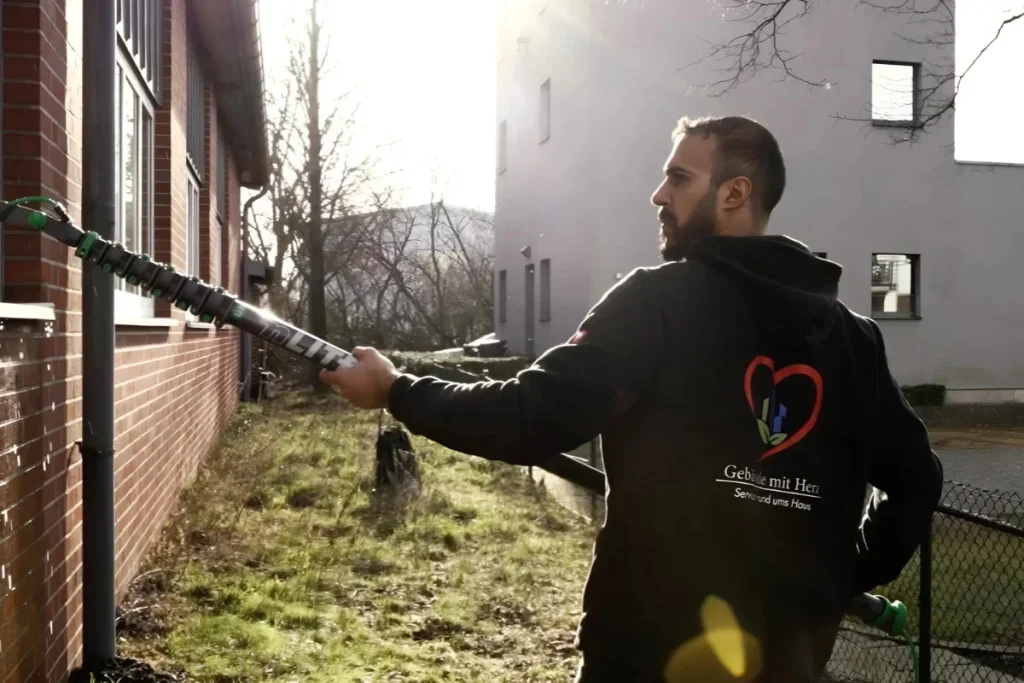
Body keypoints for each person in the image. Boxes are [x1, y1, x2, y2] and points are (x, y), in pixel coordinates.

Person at [319, 115, 943, 682]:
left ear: (734, 194)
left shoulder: (656, 302)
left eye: (678, 177)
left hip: (649, 655)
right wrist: (848, 571)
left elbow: (528, 416)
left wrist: (397, 389)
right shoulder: (855, 340)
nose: (659, 195)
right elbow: (918, 478)